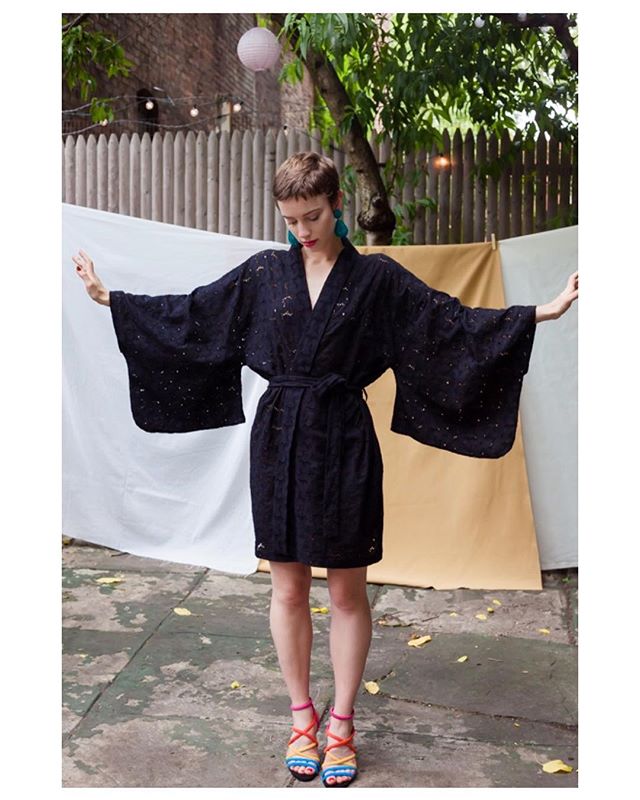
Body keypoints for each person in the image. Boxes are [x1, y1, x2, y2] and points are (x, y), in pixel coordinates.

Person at [72, 151, 578, 788]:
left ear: (336, 204)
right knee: (286, 588)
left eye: (312, 215)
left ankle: (341, 724)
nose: (302, 230)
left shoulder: (378, 282)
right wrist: (110, 299)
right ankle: (300, 719)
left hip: (343, 438)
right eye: (290, 219)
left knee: (345, 590)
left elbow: (447, 324)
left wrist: (538, 313)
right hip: (278, 439)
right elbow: (194, 317)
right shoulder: (262, 274)